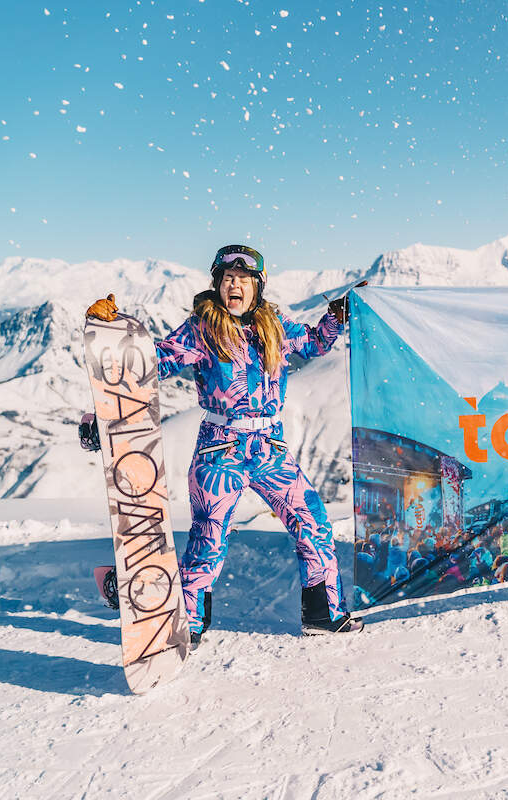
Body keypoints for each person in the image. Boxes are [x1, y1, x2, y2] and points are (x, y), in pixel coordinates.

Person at [85, 244, 361, 643]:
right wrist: (115, 337)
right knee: (209, 538)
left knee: (314, 524)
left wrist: (335, 317)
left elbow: (315, 343)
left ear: (257, 287)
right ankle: (188, 623)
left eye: (243, 279)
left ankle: (323, 613)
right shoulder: (203, 328)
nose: (234, 285)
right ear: (217, 285)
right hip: (221, 448)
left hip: (270, 448)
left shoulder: (275, 327)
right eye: (227, 278)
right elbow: (156, 360)